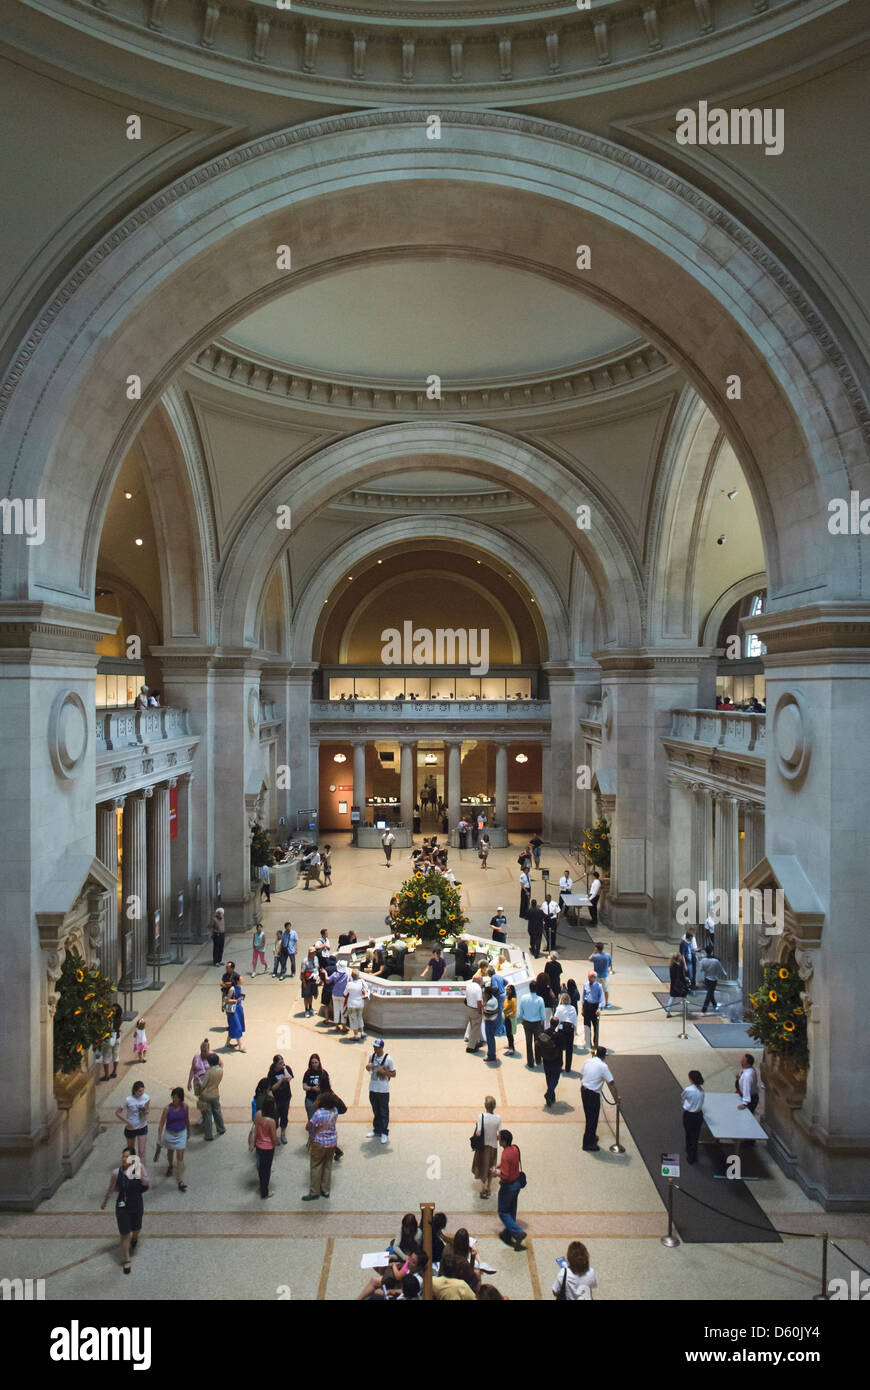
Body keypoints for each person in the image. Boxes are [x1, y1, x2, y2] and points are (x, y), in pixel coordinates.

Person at [101, 1148, 149, 1274]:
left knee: (136, 1228)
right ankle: (127, 1259)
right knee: (124, 1232)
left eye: (127, 1157)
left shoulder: (139, 1168)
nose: (124, 1159)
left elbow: (146, 1184)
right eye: (123, 1156)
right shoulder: (116, 1173)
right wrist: (105, 1201)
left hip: (136, 1203)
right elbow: (112, 1187)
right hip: (122, 1205)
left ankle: (135, 1237)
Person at [580, 1045, 619, 1152]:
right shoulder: (603, 1067)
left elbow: (581, 1075)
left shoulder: (588, 1061)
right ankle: (587, 1144)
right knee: (592, 1119)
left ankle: (591, 1137)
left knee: (589, 1117)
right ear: (605, 1056)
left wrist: (586, 1083)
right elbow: (611, 1083)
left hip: (583, 1090)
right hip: (593, 1095)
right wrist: (616, 1099)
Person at [303, 1089, 340, 1200]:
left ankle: (314, 1192)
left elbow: (308, 1127)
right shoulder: (335, 1111)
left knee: (316, 1166)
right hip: (332, 1142)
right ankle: (325, 1190)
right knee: (328, 1166)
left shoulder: (318, 1113)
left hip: (319, 1142)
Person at [493, 1129, 526, 1250]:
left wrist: (496, 1173)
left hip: (508, 1187)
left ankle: (517, 1232)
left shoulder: (505, 1154)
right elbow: (513, 1162)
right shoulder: (515, 1149)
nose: (498, 1139)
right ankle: (508, 1233)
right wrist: (500, 1165)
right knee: (512, 1209)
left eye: (500, 1138)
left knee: (503, 1212)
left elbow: (505, 1175)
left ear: (504, 1141)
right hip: (517, 1184)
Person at [156, 1088, 190, 1191]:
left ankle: (180, 1180)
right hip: (169, 1134)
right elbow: (161, 1123)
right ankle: (170, 1165)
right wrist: (159, 1137)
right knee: (170, 1153)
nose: (174, 1099)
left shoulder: (185, 1106)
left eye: (177, 1097)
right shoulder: (167, 1109)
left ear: (181, 1098)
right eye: (173, 1097)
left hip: (181, 1133)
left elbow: (186, 1119)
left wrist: (188, 1130)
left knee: (180, 1156)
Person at [366, 1039, 395, 1144]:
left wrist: (384, 1072)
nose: (375, 1048)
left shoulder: (388, 1059)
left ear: (381, 1047)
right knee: (375, 1110)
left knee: (383, 1111)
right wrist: (368, 1067)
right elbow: (369, 1068)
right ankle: (376, 1130)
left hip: (383, 1090)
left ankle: (384, 1132)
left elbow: (394, 1074)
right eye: (374, 1046)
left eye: (377, 1047)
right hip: (372, 1088)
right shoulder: (372, 1056)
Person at [471, 1096, 501, 1198]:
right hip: (493, 1146)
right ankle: (489, 1187)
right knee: (491, 1166)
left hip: (483, 1146)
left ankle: (483, 1187)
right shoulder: (498, 1118)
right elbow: (499, 1134)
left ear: (485, 1105)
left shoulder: (481, 1116)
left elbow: (478, 1132)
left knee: (482, 1166)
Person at [116, 1080, 150, 1161]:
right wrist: (127, 1122)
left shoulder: (146, 1097)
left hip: (142, 1126)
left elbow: (148, 1109)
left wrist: (146, 1112)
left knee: (141, 1151)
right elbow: (117, 1113)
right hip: (131, 1128)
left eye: (143, 1090)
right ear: (134, 1091)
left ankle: (141, 1170)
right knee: (131, 1152)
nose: (141, 1093)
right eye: (139, 1091)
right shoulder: (128, 1100)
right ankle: (132, 1169)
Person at [253, 1095, 278, 1199]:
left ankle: (261, 1184)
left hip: (259, 1145)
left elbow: (255, 1129)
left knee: (261, 1168)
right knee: (266, 1170)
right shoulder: (271, 1121)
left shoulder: (258, 1114)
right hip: (268, 1148)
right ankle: (265, 1192)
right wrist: (275, 1144)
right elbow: (273, 1136)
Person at [518, 980, 546, 1067]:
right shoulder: (540, 999)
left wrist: (522, 1018)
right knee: (537, 1042)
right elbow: (543, 1015)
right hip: (537, 1023)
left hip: (526, 1022)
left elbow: (521, 1011)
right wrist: (543, 1023)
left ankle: (530, 1062)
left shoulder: (523, 998)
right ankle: (538, 1059)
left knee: (528, 1042)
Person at [267, 1054, 294, 1144]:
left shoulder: (286, 1068)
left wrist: (285, 1069)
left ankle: (283, 1134)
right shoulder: (271, 1073)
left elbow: (289, 1078)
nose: (282, 1064)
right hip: (276, 1099)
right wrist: (281, 1080)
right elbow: (273, 1088)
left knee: (284, 1116)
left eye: (283, 1062)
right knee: (275, 1117)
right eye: (280, 1063)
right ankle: (274, 1135)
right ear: (275, 1064)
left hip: (286, 1097)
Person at [197, 1054, 225, 1139]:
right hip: (216, 1094)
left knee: (207, 1115)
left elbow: (203, 1084)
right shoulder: (221, 1070)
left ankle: (208, 1135)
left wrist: (199, 1080)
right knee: (217, 1112)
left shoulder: (209, 1072)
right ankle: (221, 1129)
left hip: (206, 1095)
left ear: (210, 1062)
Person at [537, 1020, 563, 1106]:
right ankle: (549, 1093)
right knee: (555, 1078)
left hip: (546, 1059)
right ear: (557, 1025)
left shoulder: (544, 1033)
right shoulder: (558, 1035)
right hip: (556, 1060)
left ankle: (551, 1095)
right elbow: (563, 1047)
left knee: (548, 1077)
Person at [682, 1069, 705, 1164]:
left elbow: (683, 1098)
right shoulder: (702, 1091)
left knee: (688, 1133)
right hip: (698, 1115)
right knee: (695, 1136)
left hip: (689, 1115)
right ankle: (693, 1154)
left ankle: (689, 1152)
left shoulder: (688, 1090)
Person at [554, 990, 578, 1071]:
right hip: (570, 1029)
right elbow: (575, 1020)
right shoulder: (573, 1008)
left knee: (559, 1049)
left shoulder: (559, 1008)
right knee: (569, 1049)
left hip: (561, 1029)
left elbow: (556, 1018)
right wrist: (575, 1030)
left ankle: (560, 1066)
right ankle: (568, 1067)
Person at [302, 1054, 331, 1121]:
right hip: (310, 1100)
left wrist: (322, 1089)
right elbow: (304, 1086)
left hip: (321, 1100)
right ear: (310, 1063)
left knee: (322, 1120)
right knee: (311, 1120)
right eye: (312, 1063)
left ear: (319, 1062)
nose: (314, 1064)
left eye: (316, 1062)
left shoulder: (323, 1072)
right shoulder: (308, 1073)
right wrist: (312, 1088)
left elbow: (328, 1086)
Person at [581, 972, 605, 1051]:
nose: (589, 979)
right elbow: (583, 996)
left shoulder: (598, 986)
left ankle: (596, 1043)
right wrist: (582, 1008)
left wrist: (599, 1008)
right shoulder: (585, 984)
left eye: (591, 977)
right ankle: (588, 1043)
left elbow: (601, 998)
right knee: (587, 1026)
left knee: (595, 1027)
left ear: (594, 978)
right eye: (588, 977)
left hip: (595, 1007)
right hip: (587, 1006)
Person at [99, 1003, 123, 1081]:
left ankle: (106, 1075)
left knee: (106, 1056)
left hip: (108, 1040)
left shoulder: (109, 1020)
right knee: (116, 1055)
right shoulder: (119, 1019)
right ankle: (114, 1072)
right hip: (117, 1038)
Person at [699, 948, 727, 1013]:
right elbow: (721, 969)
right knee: (709, 994)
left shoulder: (703, 960)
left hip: (706, 978)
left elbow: (701, 969)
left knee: (710, 993)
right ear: (712, 952)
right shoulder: (716, 961)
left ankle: (715, 1006)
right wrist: (725, 974)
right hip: (714, 979)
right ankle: (704, 1009)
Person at [344, 968, 369, 1039]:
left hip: (351, 1004)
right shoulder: (361, 982)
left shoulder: (349, 984)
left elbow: (345, 993)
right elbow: (366, 988)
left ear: (351, 976)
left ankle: (355, 1035)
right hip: (360, 1003)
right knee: (360, 1018)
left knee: (353, 1019)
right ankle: (362, 1032)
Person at [464, 970, 484, 1052]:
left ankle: (478, 1041)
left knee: (473, 1026)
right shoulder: (478, 988)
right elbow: (479, 1001)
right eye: (482, 980)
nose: (482, 982)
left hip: (469, 1009)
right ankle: (471, 1047)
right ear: (479, 981)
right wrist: (480, 1011)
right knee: (475, 1028)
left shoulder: (469, 986)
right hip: (475, 1010)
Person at [325, 960, 349, 1030]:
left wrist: (325, 973)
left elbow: (327, 980)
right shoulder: (347, 975)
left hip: (335, 994)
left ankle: (336, 1026)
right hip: (343, 995)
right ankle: (344, 1027)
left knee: (336, 1010)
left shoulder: (334, 974)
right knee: (343, 1010)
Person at [225, 973, 246, 1051]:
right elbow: (228, 1000)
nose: (242, 980)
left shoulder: (240, 987)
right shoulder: (232, 989)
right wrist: (235, 1000)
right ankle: (241, 1046)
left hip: (239, 1009)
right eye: (241, 979)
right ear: (237, 981)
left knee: (234, 1027)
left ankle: (227, 1043)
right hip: (233, 1010)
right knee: (237, 1027)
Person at [666, 950, 691, 1017]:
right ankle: (686, 1011)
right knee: (684, 998)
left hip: (673, 984)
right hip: (680, 984)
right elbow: (682, 976)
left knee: (671, 998)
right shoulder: (679, 966)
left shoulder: (671, 965)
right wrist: (686, 985)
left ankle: (668, 1012)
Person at [736, 1053, 760, 1120]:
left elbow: (747, 1088)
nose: (741, 1062)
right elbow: (742, 1073)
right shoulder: (749, 1069)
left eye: (743, 1061)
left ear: (748, 1064)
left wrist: (745, 1103)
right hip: (749, 1096)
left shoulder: (747, 1076)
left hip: (751, 1099)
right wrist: (739, 1075)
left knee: (746, 1118)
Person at [589, 942, 613, 1007]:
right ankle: (607, 1003)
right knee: (606, 990)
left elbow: (589, 958)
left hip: (596, 976)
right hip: (605, 975)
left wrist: (594, 952)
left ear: (596, 948)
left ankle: (596, 1002)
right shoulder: (607, 955)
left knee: (596, 989)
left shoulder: (595, 956)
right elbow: (610, 964)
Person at [482, 985, 499, 1062]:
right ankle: (492, 1053)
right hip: (493, 1021)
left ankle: (491, 1055)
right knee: (491, 1038)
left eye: (484, 993)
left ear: (487, 994)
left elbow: (487, 1013)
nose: (483, 994)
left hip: (490, 1022)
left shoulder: (490, 1003)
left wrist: (483, 1007)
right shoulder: (494, 999)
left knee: (490, 1039)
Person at [300, 948, 319, 1015]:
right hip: (307, 980)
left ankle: (310, 1008)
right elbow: (302, 973)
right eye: (312, 952)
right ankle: (306, 1010)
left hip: (314, 980)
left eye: (314, 952)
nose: (313, 954)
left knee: (311, 995)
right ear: (309, 953)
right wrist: (304, 983)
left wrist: (318, 978)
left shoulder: (316, 958)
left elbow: (317, 968)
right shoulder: (305, 961)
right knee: (306, 996)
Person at [502, 983, 518, 1056]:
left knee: (510, 1033)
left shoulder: (513, 999)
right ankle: (510, 1045)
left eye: (509, 990)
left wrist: (509, 1015)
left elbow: (514, 1011)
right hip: (506, 1017)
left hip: (510, 1018)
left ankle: (511, 1049)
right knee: (508, 1033)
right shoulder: (507, 997)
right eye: (507, 989)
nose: (507, 991)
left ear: (512, 991)